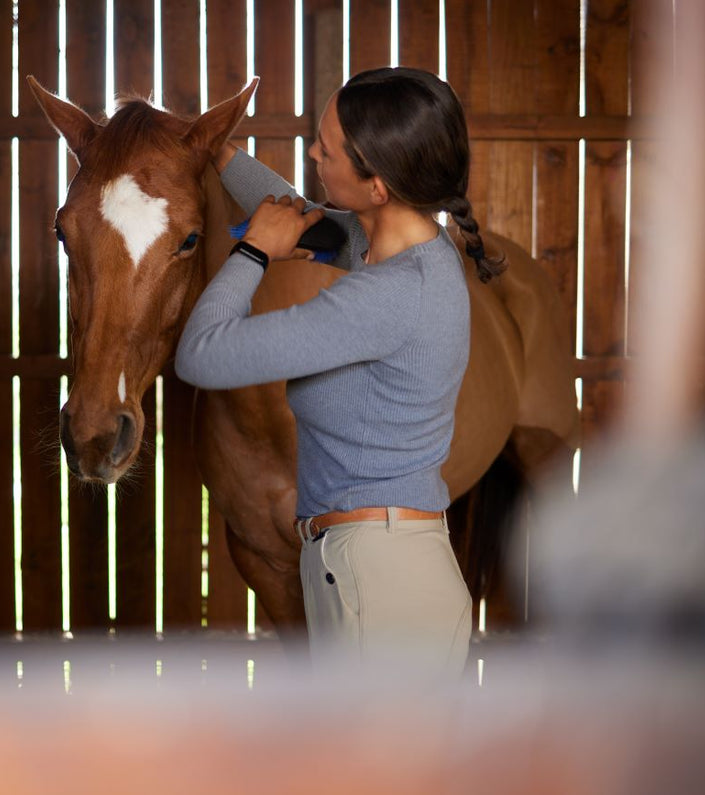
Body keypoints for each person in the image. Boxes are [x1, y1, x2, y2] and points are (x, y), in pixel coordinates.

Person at [175, 67, 505, 679]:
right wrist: (215, 150)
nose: (312, 152)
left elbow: (203, 354)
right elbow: (307, 220)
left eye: (326, 149)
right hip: (374, 569)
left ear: (377, 185)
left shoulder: (386, 298)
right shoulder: (412, 248)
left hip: (383, 589)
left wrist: (253, 253)